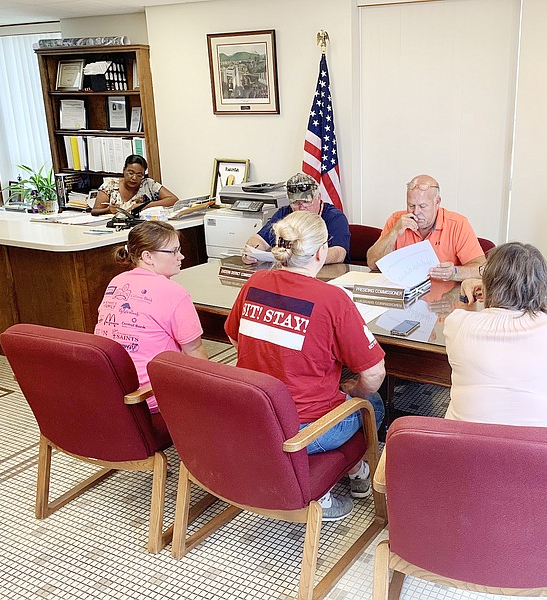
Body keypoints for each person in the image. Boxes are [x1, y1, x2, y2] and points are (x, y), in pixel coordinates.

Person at [225, 211, 386, 521]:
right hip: (303, 430)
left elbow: (234, 338)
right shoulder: (333, 300)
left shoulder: (256, 282)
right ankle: (328, 483)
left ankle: (353, 471)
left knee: (348, 397)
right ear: (320, 252)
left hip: (255, 420)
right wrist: (353, 389)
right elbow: (374, 372)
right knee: (373, 404)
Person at [448, 243, 547, 428]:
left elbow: (469, 320)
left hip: (464, 447)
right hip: (536, 450)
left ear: (488, 282)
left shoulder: (457, 323)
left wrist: (470, 298)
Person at [94, 221, 207, 413]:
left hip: (109, 391)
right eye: (173, 251)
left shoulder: (116, 282)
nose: (181, 256)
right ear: (147, 256)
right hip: (150, 396)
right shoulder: (174, 292)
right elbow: (195, 352)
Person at [366, 174, 486, 282]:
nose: (416, 212)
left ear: (437, 202)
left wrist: (454, 272)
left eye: (423, 206)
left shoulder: (458, 224)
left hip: (445, 298)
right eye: (411, 205)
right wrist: (394, 233)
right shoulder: (396, 220)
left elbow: (481, 269)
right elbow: (373, 264)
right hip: (406, 294)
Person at [242, 172, 349, 264]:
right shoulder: (284, 213)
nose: (301, 207)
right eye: (295, 203)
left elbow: (339, 253)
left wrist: (303, 259)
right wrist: (252, 252)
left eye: (306, 202)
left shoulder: (335, 217)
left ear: (319, 198)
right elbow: (258, 239)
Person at [91, 155, 179, 216]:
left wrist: (145, 206)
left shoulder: (148, 184)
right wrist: (107, 210)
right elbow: (94, 211)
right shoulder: (110, 185)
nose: (134, 178)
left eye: (139, 175)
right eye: (130, 173)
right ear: (124, 170)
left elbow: (173, 200)